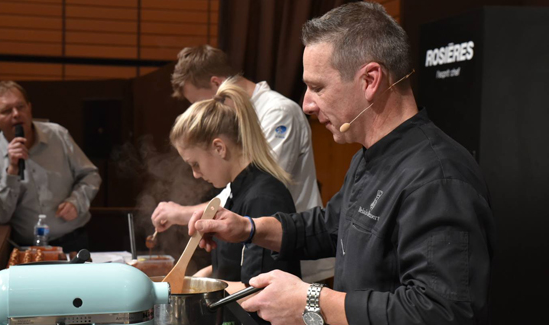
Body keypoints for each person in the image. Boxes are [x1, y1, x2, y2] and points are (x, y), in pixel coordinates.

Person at [188, 3, 495, 325]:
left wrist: (311, 302)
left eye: (317, 87)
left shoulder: (437, 178)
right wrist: (248, 228)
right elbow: (330, 226)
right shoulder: (369, 156)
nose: (306, 104)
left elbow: (441, 311)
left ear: (370, 80)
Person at [153, 45, 333, 283]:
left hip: (301, 251)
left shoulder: (279, 114)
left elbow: (256, 290)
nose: (206, 112)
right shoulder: (237, 189)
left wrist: (185, 213)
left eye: (201, 103)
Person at [171, 78, 301, 324]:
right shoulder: (235, 192)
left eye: (195, 164)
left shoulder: (264, 197)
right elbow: (229, 269)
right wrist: (190, 280)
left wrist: (196, 289)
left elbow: (257, 291)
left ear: (219, 148)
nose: (195, 174)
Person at [0, 81, 102, 253]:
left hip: (73, 243)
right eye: (6, 111)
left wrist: (76, 202)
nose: (16, 114)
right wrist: (11, 170)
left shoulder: (58, 135)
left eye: (21, 106)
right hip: (26, 249)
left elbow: (91, 175)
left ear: (29, 107)